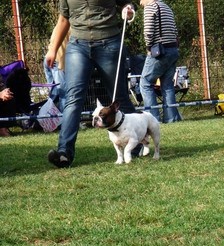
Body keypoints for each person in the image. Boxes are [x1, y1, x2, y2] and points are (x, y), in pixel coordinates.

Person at [45, 0, 137, 168]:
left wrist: (128, 10)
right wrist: (53, 49)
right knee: (73, 99)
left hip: (109, 42)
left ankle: (136, 142)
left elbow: (127, 4)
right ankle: (64, 153)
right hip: (77, 45)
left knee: (119, 97)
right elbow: (64, 19)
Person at [139, 0, 182, 123]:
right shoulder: (166, 6)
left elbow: (148, 31)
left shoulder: (150, 7)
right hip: (173, 49)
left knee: (145, 83)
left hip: (160, 50)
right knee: (167, 85)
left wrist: (148, 47)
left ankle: (152, 120)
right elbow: (175, 30)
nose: (140, 3)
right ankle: (171, 118)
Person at [43, 28, 70, 112]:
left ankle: (53, 119)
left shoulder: (60, 25)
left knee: (54, 94)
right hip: (57, 61)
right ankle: (64, 120)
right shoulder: (72, 27)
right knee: (64, 94)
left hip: (48, 58)